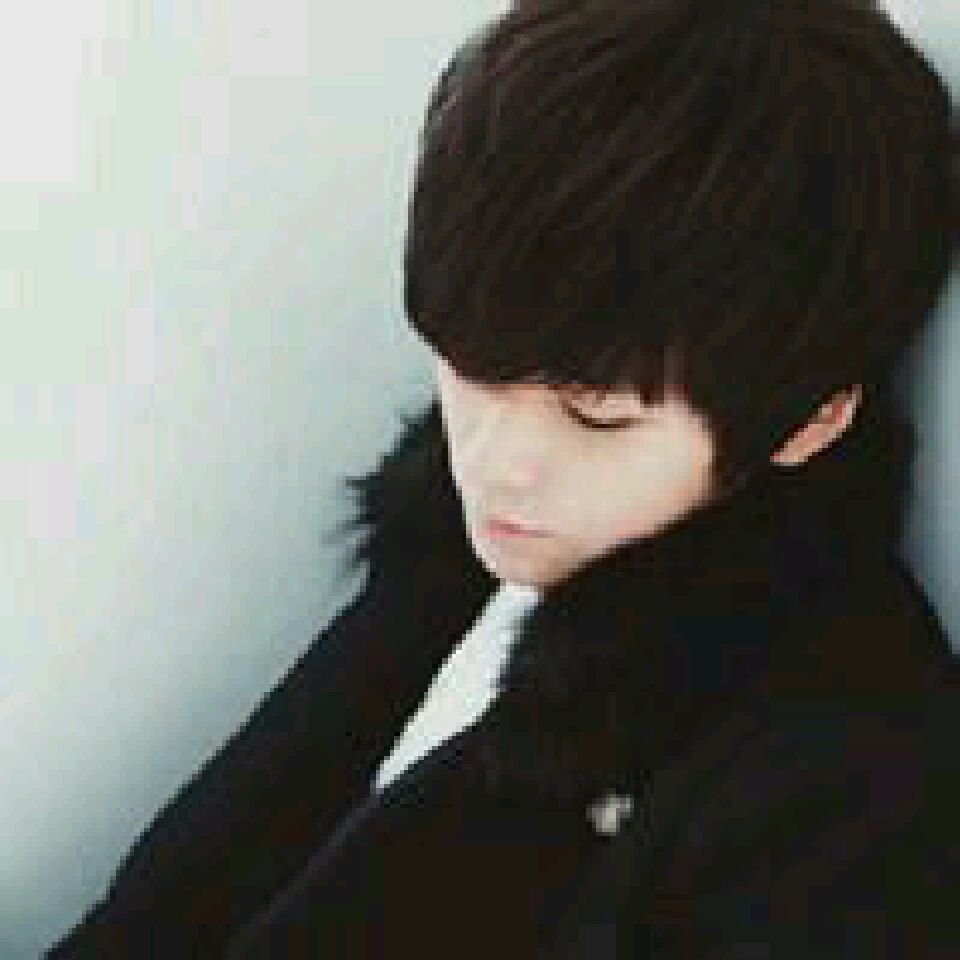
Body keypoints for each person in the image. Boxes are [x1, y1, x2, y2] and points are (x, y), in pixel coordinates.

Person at [45, 0, 958, 956]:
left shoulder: (844, 792)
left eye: (597, 417)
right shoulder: (458, 553)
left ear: (812, 420)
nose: (491, 462)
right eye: (469, 373)